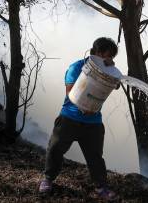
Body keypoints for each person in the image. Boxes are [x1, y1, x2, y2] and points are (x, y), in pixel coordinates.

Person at [39, 37, 118, 200]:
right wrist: (83, 106)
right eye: (106, 55)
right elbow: (70, 91)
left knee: (95, 157)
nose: (108, 59)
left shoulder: (107, 71)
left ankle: (101, 187)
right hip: (69, 118)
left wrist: (112, 75)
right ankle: (48, 179)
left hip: (93, 123)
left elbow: (116, 84)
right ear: (96, 52)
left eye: (111, 57)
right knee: (55, 149)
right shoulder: (77, 67)